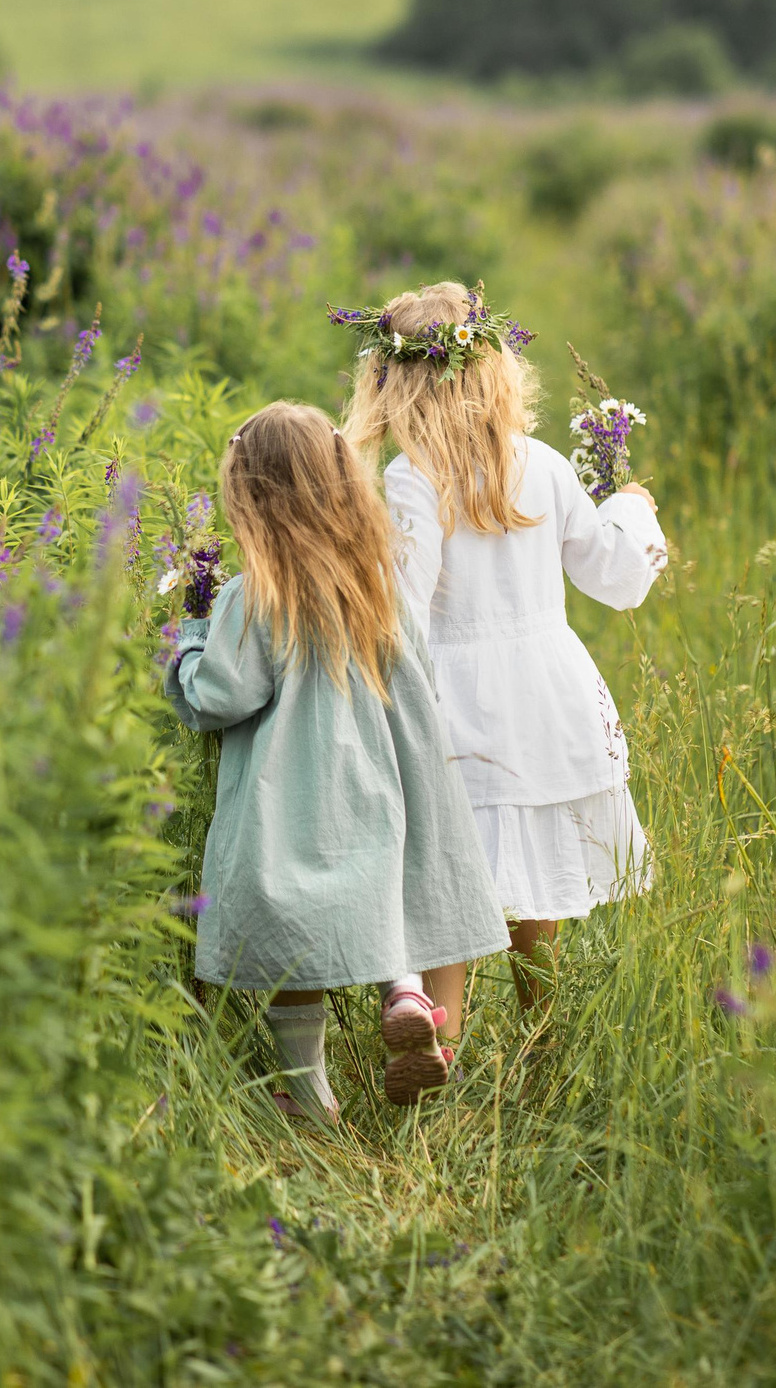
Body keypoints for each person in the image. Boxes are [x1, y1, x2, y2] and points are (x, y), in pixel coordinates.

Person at [165, 402, 509, 1119]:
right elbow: (419, 682)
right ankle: (406, 991)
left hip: (293, 795)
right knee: (377, 896)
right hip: (382, 781)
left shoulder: (254, 595)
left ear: (251, 502)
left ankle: (308, 1092)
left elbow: (222, 694)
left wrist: (187, 643)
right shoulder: (376, 581)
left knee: (296, 928)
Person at [338, 282, 667, 1014]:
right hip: (547, 696)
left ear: (393, 388)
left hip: (458, 704)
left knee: (453, 876)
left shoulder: (411, 478)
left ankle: (439, 1035)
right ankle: (540, 1036)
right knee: (536, 894)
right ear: (495, 371)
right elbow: (611, 574)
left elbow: (406, 615)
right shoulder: (543, 464)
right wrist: (631, 511)